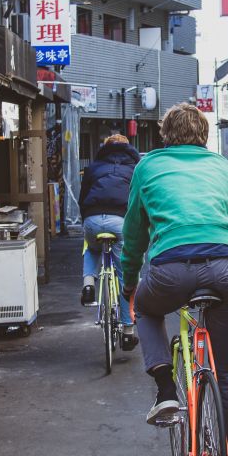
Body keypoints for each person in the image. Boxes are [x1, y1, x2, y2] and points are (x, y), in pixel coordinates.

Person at [121, 103, 228, 456]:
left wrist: (129, 283)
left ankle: (165, 391)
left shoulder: (146, 167)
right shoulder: (223, 167)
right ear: (205, 135)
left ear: (165, 135)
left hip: (170, 270)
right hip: (226, 268)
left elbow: (135, 234)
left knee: (145, 308)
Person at [78, 134, 141, 351]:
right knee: (126, 276)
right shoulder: (135, 169)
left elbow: (83, 197)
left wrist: (85, 220)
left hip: (93, 219)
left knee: (91, 247)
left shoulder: (94, 167)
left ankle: (88, 284)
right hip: (120, 221)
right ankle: (127, 331)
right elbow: (138, 201)